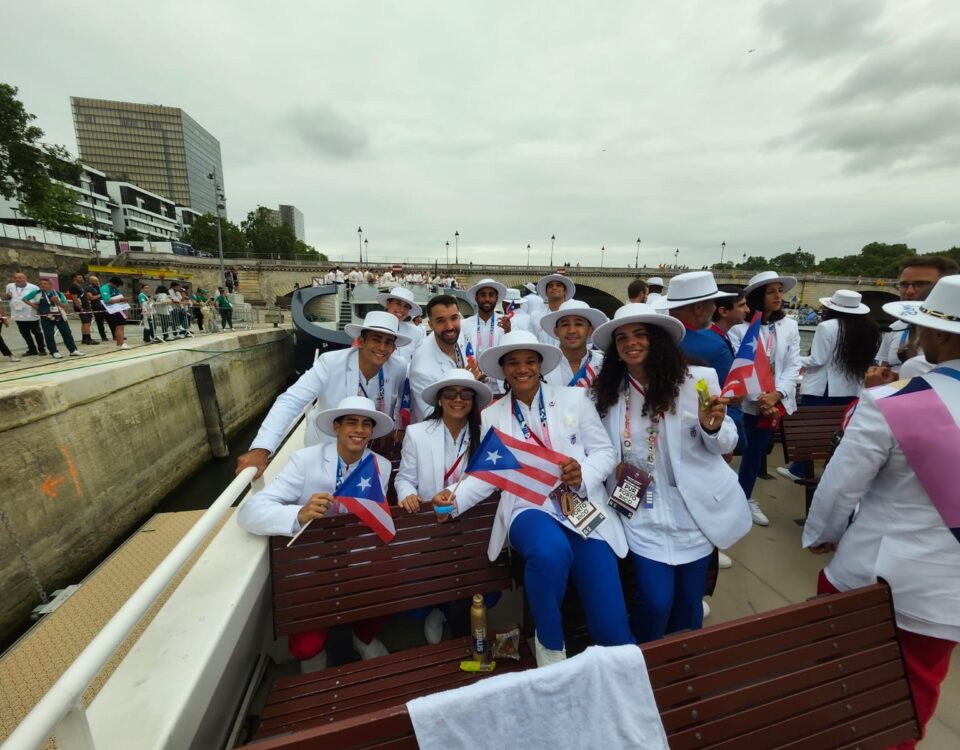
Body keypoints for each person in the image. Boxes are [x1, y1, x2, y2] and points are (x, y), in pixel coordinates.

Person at [803, 274, 960, 748]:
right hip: (947, 596)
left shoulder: (892, 403)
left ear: (936, 334)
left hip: (876, 579)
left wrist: (822, 536)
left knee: (839, 694)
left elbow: (838, 490)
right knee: (913, 705)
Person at [432, 330, 634, 667]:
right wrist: (452, 499)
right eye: (513, 363)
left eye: (529, 361)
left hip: (580, 506)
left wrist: (582, 474)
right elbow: (488, 471)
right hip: (528, 507)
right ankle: (550, 653)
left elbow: (604, 452)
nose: (522, 368)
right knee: (550, 552)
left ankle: (624, 671)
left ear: (540, 366)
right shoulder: (492, 415)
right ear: (504, 370)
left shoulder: (575, 399)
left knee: (610, 622)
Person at [591, 304, 750, 642]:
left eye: (640, 335)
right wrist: (609, 469)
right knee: (655, 601)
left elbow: (726, 441)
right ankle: (642, 663)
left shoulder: (698, 381)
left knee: (688, 606)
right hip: (641, 512)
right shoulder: (608, 394)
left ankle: (683, 668)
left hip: (693, 513)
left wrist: (714, 428)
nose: (630, 343)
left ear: (658, 340)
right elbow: (601, 451)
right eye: (622, 337)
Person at [237, 396, 395, 671]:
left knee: (387, 583)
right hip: (312, 561)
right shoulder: (304, 460)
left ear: (372, 431)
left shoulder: (381, 465)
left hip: (356, 556)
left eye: (366, 424)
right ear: (336, 427)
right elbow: (248, 512)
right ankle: (313, 664)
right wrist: (299, 514)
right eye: (352, 423)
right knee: (308, 644)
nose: (359, 430)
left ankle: (364, 639)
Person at [236, 311, 409, 479]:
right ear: (361, 341)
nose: (382, 348)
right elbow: (291, 401)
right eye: (376, 340)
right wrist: (262, 449)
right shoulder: (331, 363)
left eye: (388, 342)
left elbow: (401, 399)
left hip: (367, 444)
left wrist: (396, 427)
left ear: (394, 348)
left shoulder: (399, 367)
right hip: (326, 445)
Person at [395, 369, 493, 644]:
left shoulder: (485, 435)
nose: (457, 399)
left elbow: (491, 478)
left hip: (472, 524)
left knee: (480, 586)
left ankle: (454, 615)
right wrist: (407, 495)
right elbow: (404, 478)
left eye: (465, 394)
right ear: (439, 400)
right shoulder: (416, 433)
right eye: (450, 393)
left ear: (473, 401)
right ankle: (438, 611)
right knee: (419, 602)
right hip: (431, 527)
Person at [779, 290, 879, 481]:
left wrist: (791, 358)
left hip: (823, 387)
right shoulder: (870, 329)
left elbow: (817, 359)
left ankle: (799, 470)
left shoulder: (827, 327)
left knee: (810, 429)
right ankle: (834, 470)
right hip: (852, 388)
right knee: (840, 431)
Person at [728, 271, 801, 526]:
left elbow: (793, 365)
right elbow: (740, 365)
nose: (779, 296)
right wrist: (761, 398)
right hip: (750, 403)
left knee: (755, 454)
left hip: (773, 402)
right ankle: (733, 498)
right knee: (737, 451)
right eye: (772, 292)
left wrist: (776, 395)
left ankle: (744, 498)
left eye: (780, 291)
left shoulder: (789, 326)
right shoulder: (739, 328)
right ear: (759, 296)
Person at [875, 256, 958, 378]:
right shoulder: (895, 327)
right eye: (903, 285)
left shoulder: (954, 334)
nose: (909, 291)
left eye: (921, 284)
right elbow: (883, 366)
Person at [408, 295, 482, 422]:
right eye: (441, 321)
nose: (450, 327)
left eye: (454, 318)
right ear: (430, 324)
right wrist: (468, 383)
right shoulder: (421, 369)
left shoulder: (460, 334)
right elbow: (431, 417)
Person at [538, 300, 606, 388]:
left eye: (578, 324)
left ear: (590, 330)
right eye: (565, 324)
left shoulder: (604, 364)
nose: (571, 331)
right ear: (556, 331)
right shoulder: (542, 365)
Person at [463, 278, 511, 393]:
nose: (487, 299)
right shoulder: (464, 324)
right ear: (476, 298)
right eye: (483, 295)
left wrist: (508, 333)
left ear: (496, 298)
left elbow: (510, 353)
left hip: (499, 387)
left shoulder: (506, 323)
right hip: (474, 384)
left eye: (491, 295)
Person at [23, 278, 84, 359]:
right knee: (49, 335)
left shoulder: (58, 293)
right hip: (46, 317)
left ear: (50, 285)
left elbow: (66, 306)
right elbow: (24, 299)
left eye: (45, 283)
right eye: (41, 283)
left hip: (59, 316)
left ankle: (73, 350)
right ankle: (54, 352)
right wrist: (35, 306)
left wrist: (58, 302)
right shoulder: (37, 293)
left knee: (67, 333)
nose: (42, 285)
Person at [376, 286, 424, 365]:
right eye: (398, 304)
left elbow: (419, 361)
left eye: (406, 306)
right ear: (388, 304)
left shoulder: (416, 332)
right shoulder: (373, 327)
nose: (402, 310)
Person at [4, 272, 46, 356]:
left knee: (37, 332)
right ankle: (32, 349)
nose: (18, 280)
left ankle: (42, 349)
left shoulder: (34, 287)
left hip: (31, 314)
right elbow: (7, 297)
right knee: (25, 333)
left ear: (25, 279)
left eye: (20, 278)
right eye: (16, 278)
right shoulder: (10, 286)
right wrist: (7, 296)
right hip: (17, 315)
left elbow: (38, 300)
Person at [531, 273, 576, 345]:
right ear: (546, 292)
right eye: (550, 286)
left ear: (565, 291)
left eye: (558, 285)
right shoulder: (535, 316)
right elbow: (531, 340)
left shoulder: (575, 314)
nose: (554, 288)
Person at [100, 276, 130, 349]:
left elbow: (119, 297)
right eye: (117, 285)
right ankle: (121, 343)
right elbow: (107, 300)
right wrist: (121, 300)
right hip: (112, 310)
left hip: (119, 309)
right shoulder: (105, 288)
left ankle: (119, 343)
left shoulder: (115, 288)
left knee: (121, 326)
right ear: (112, 283)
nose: (117, 286)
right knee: (119, 326)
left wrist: (123, 300)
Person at [68, 273, 98, 346]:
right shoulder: (73, 287)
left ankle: (85, 338)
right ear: (74, 278)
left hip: (86, 306)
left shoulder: (80, 286)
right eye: (79, 277)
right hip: (82, 307)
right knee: (86, 322)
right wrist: (80, 308)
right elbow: (75, 298)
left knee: (87, 323)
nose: (81, 278)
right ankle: (87, 339)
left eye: (81, 277)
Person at [84, 274, 110, 342]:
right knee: (100, 323)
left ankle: (115, 335)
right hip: (97, 307)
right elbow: (91, 298)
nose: (97, 282)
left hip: (105, 306)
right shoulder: (88, 288)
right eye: (95, 281)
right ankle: (103, 336)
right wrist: (100, 295)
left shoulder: (100, 288)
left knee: (111, 321)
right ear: (91, 281)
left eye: (97, 281)